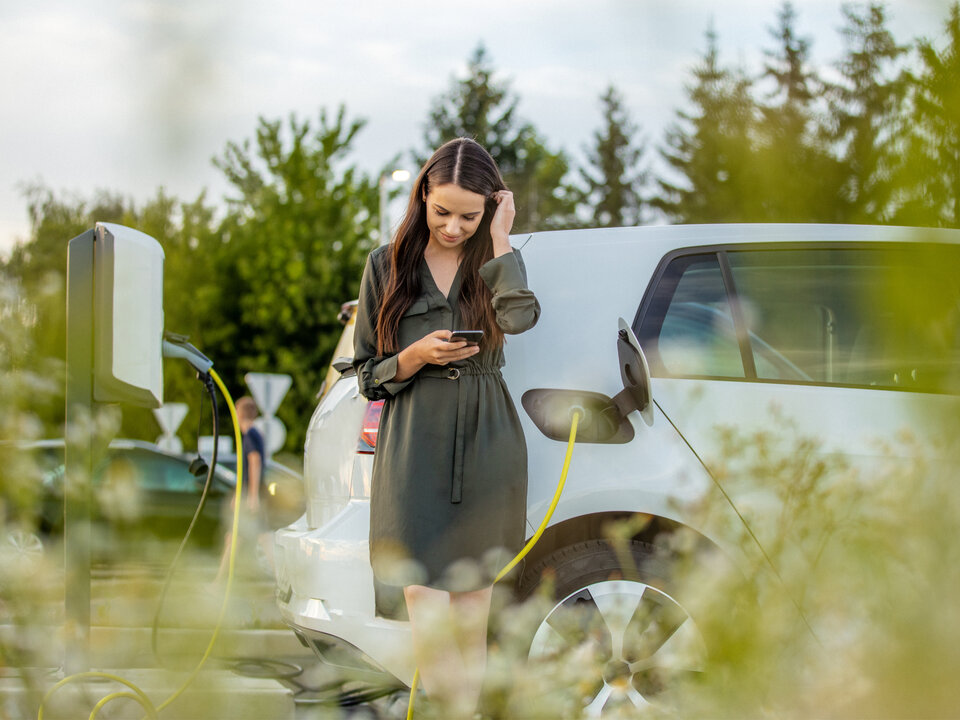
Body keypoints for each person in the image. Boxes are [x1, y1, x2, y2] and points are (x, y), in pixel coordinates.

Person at [353, 137, 540, 717]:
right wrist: (415, 356)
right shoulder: (386, 265)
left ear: (489, 208)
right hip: (413, 445)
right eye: (442, 212)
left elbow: (521, 318)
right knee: (426, 605)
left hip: (487, 443)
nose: (454, 227)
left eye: (470, 215)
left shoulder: (495, 258)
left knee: (470, 612)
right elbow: (366, 374)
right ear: (422, 197)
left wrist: (503, 238)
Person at [214, 395, 265, 583]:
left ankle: (219, 583)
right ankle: (219, 582)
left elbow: (254, 462)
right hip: (247, 494)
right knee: (238, 537)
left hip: (249, 495)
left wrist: (251, 496)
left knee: (249, 537)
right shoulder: (255, 433)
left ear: (240, 413)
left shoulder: (250, 434)